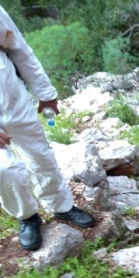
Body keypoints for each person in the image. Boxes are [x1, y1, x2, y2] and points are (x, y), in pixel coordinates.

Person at [0, 5, 95, 251]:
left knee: (40, 155)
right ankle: (27, 217)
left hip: (14, 99)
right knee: (5, 169)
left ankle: (62, 207)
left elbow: (19, 50)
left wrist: (45, 93)